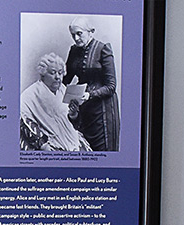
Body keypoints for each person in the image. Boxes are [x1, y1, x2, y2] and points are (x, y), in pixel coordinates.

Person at [64, 17, 120, 152]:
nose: (76, 38)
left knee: (103, 153)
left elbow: (111, 86)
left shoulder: (103, 49)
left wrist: (90, 94)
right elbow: (66, 79)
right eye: (73, 35)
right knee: (85, 150)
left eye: (79, 33)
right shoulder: (74, 51)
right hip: (84, 110)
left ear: (91, 32)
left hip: (103, 113)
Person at [20, 52, 91, 152]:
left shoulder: (63, 89)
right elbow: (25, 123)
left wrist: (73, 115)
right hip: (49, 144)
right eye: (53, 73)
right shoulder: (30, 95)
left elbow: (74, 124)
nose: (58, 77)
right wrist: (42, 144)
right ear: (43, 74)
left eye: (60, 72)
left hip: (72, 139)